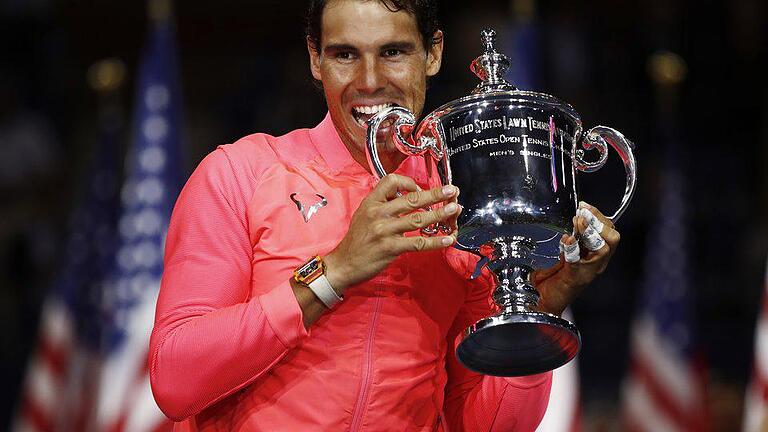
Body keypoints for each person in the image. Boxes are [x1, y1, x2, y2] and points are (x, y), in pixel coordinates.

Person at [149, 0, 621, 430]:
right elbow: (176, 379)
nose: (370, 80)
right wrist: (332, 273)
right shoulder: (241, 173)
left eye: (393, 52)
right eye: (345, 55)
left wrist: (544, 306)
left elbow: (487, 423)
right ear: (315, 58)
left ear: (432, 53)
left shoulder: (460, 202)